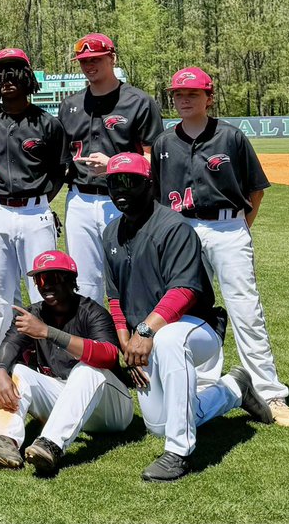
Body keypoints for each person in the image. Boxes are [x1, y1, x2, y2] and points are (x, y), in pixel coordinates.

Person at [102, 153, 273, 482]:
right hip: (144, 338)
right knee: (159, 424)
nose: (120, 188)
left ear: (149, 184)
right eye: (114, 182)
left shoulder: (174, 227)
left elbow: (185, 292)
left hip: (197, 329)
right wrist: (126, 343)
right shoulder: (111, 233)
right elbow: (114, 296)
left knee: (167, 338)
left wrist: (144, 332)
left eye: (130, 181)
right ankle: (233, 390)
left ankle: (178, 453)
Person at [150, 66, 289, 427]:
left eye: (192, 94)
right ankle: (204, 385)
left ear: (209, 97)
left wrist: (238, 228)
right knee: (188, 308)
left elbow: (256, 189)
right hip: (182, 228)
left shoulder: (231, 137)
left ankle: (269, 392)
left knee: (246, 310)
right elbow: (156, 197)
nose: (184, 100)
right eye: (178, 95)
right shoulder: (164, 143)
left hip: (228, 225)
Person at [0, 250, 131, 474]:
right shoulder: (33, 314)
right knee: (19, 371)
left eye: (54, 278)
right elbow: (9, 347)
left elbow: (108, 356)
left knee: (87, 369)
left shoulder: (92, 312)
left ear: (71, 281)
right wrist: (0, 372)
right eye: (40, 279)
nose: (46, 285)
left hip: (111, 409)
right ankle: (5, 442)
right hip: (68, 404)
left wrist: (47, 332)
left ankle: (50, 444)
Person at [0, 49, 66, 367]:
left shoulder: (48, 124)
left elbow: (60, 171)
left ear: (27, 78)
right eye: (1, 74)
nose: (8, 80)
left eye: (14, 72)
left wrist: (38, 202)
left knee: (45, 295)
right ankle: (2, 365)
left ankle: (47, 365)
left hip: (35, 213)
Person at [58, 33, 163, 303]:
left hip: (125, 200)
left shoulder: (139, 102)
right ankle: (95, 343)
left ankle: (134, 341)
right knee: (83, 281)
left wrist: (115, 166)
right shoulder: (70, 106)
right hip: (79, 199)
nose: (89, 65)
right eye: (83, 61)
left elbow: (155, 160)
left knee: (130, 273)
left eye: (96, 59)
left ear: (112, 58)